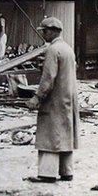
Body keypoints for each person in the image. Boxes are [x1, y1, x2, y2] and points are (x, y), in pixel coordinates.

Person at [26, 17, 79, 183]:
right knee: (65, 134)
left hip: (54, 100)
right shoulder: (67, 49)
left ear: (52, 31)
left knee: (49, 134)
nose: (43, 35)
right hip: (68, 99)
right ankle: (66, 171)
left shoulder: (52, 50)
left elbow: (48, 78)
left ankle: (47, 173)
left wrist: (37, 97)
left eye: (45, 31)